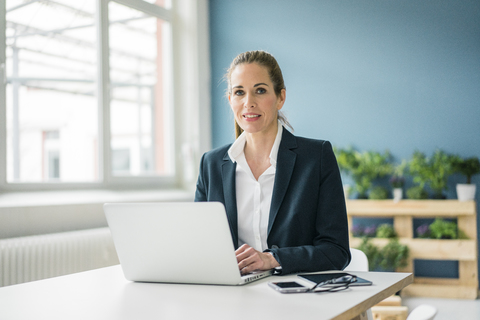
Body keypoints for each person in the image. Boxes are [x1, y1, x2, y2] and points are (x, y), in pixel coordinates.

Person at [195, 50, 350, 275]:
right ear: (230, 100)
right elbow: (200, 245)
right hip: (231, 296)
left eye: (260, 90)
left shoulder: (316, 157)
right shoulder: (210, 165)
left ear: (280, 97)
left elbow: (336, 251)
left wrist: (271, 259)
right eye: (239, 92)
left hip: (297, 297)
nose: (249, 103)